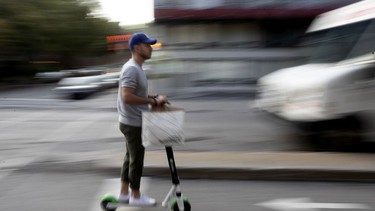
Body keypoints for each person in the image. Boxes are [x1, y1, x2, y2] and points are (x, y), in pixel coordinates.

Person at [117, 32, 168, 206]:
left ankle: (124, 194)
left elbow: (136, 93)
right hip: (133, 123)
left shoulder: (136, 67)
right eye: (147, 45)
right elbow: (127, 96)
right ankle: (136, 196)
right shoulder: (132, 68)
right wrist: (153, 101)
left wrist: (154, 96)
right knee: (137, 160)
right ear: (137, 48)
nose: (150, 48)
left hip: (130, 121)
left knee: (129, 157)